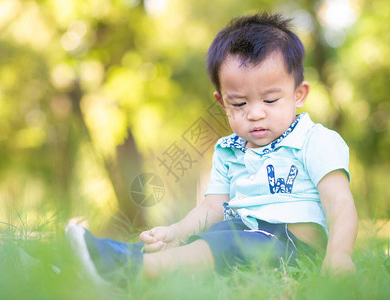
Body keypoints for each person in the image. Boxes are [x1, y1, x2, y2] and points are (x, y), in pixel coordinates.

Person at [66, 12, 358, 285]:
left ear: (299, 94)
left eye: (270, 100)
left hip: (294, 248)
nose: (255, 113)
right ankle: (88, 263)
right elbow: (212, 207)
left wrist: (339, 254)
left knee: (228, 242)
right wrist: (177, 232)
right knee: (210, 237)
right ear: (222, 103)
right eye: (240, 104)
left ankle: (130, 270)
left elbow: (339, 203)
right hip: (240, 234)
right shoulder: (229, 150)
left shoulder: (314, 139)